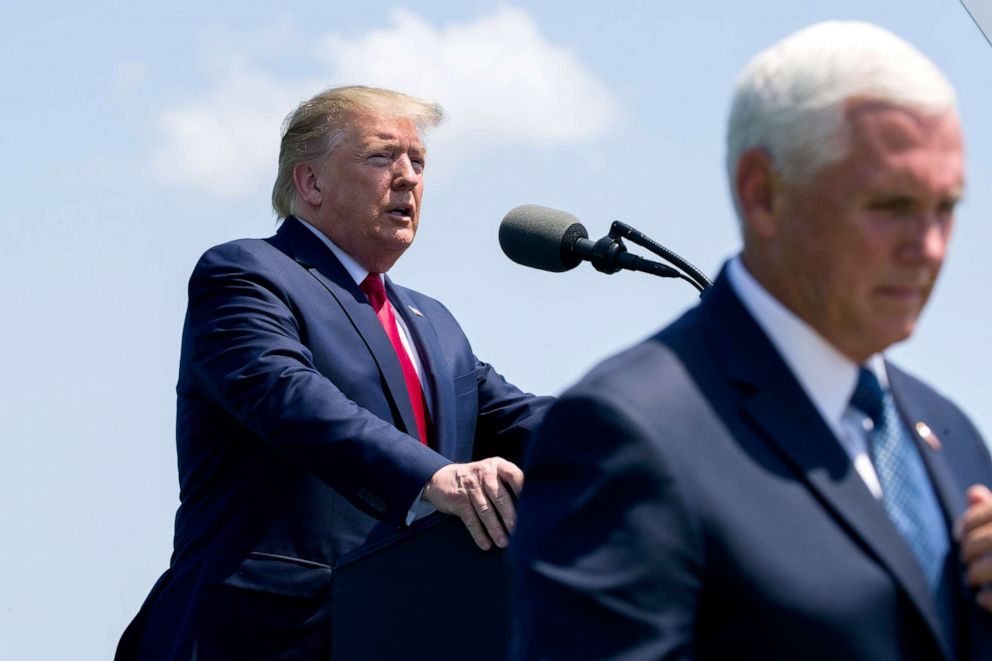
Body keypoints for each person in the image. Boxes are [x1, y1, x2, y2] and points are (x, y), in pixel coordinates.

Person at [511, 21, 992, 660]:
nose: (927, 246)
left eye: (944, 208)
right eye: (890, 205)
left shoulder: (948, 432)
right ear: (764, 194)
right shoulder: (625, 433)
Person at [117, 86, 552, 659]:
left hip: (411, 628)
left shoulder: (433, 322)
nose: (408, 178)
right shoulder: (247, 274)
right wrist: (435, 477)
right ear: (310, 183)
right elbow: (291, 399)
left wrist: (654, 433)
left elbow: (518, 416)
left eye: (418, 161)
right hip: (261, 631)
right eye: (381, 157)